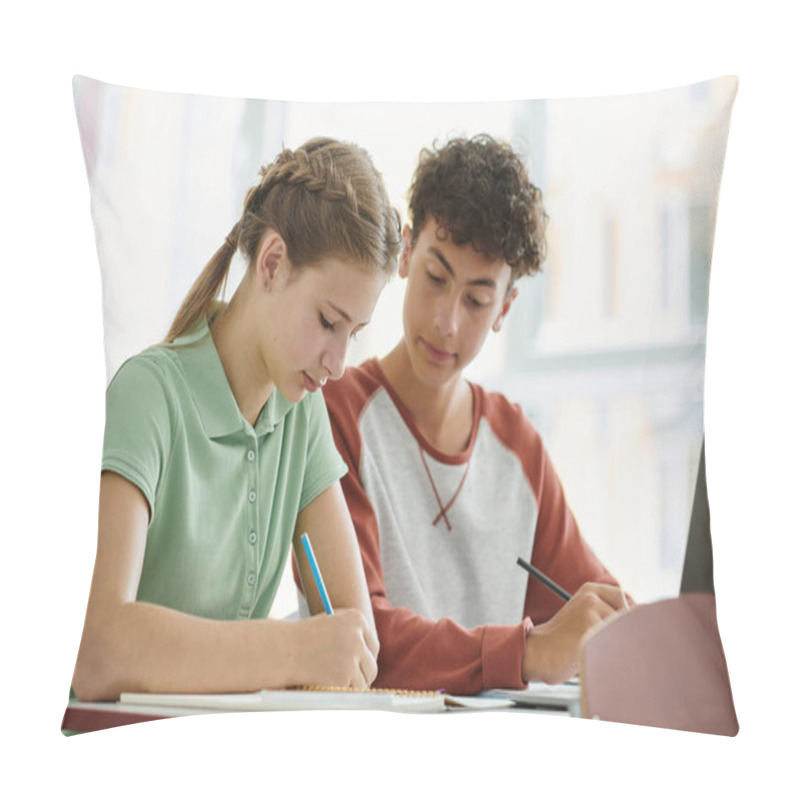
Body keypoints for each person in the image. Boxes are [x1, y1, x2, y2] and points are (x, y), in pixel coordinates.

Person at [71, 137, 402, 702]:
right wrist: (298, 649)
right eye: (327, 321)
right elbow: (95, 649)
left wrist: (336, 648)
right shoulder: (149, 397)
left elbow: (355, 633)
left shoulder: (301, 416)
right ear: (272, 263)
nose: (339, 363)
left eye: (355, 333)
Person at [310, 134, 631, 695]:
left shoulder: (515, 443)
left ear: (505, 309)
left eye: (478, 300)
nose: (446, 321)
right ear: (405, 253)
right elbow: (361, 641)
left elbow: (597, 614)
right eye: (436, 278)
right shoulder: (333, 412)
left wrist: (641, 634)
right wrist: (528, 652)